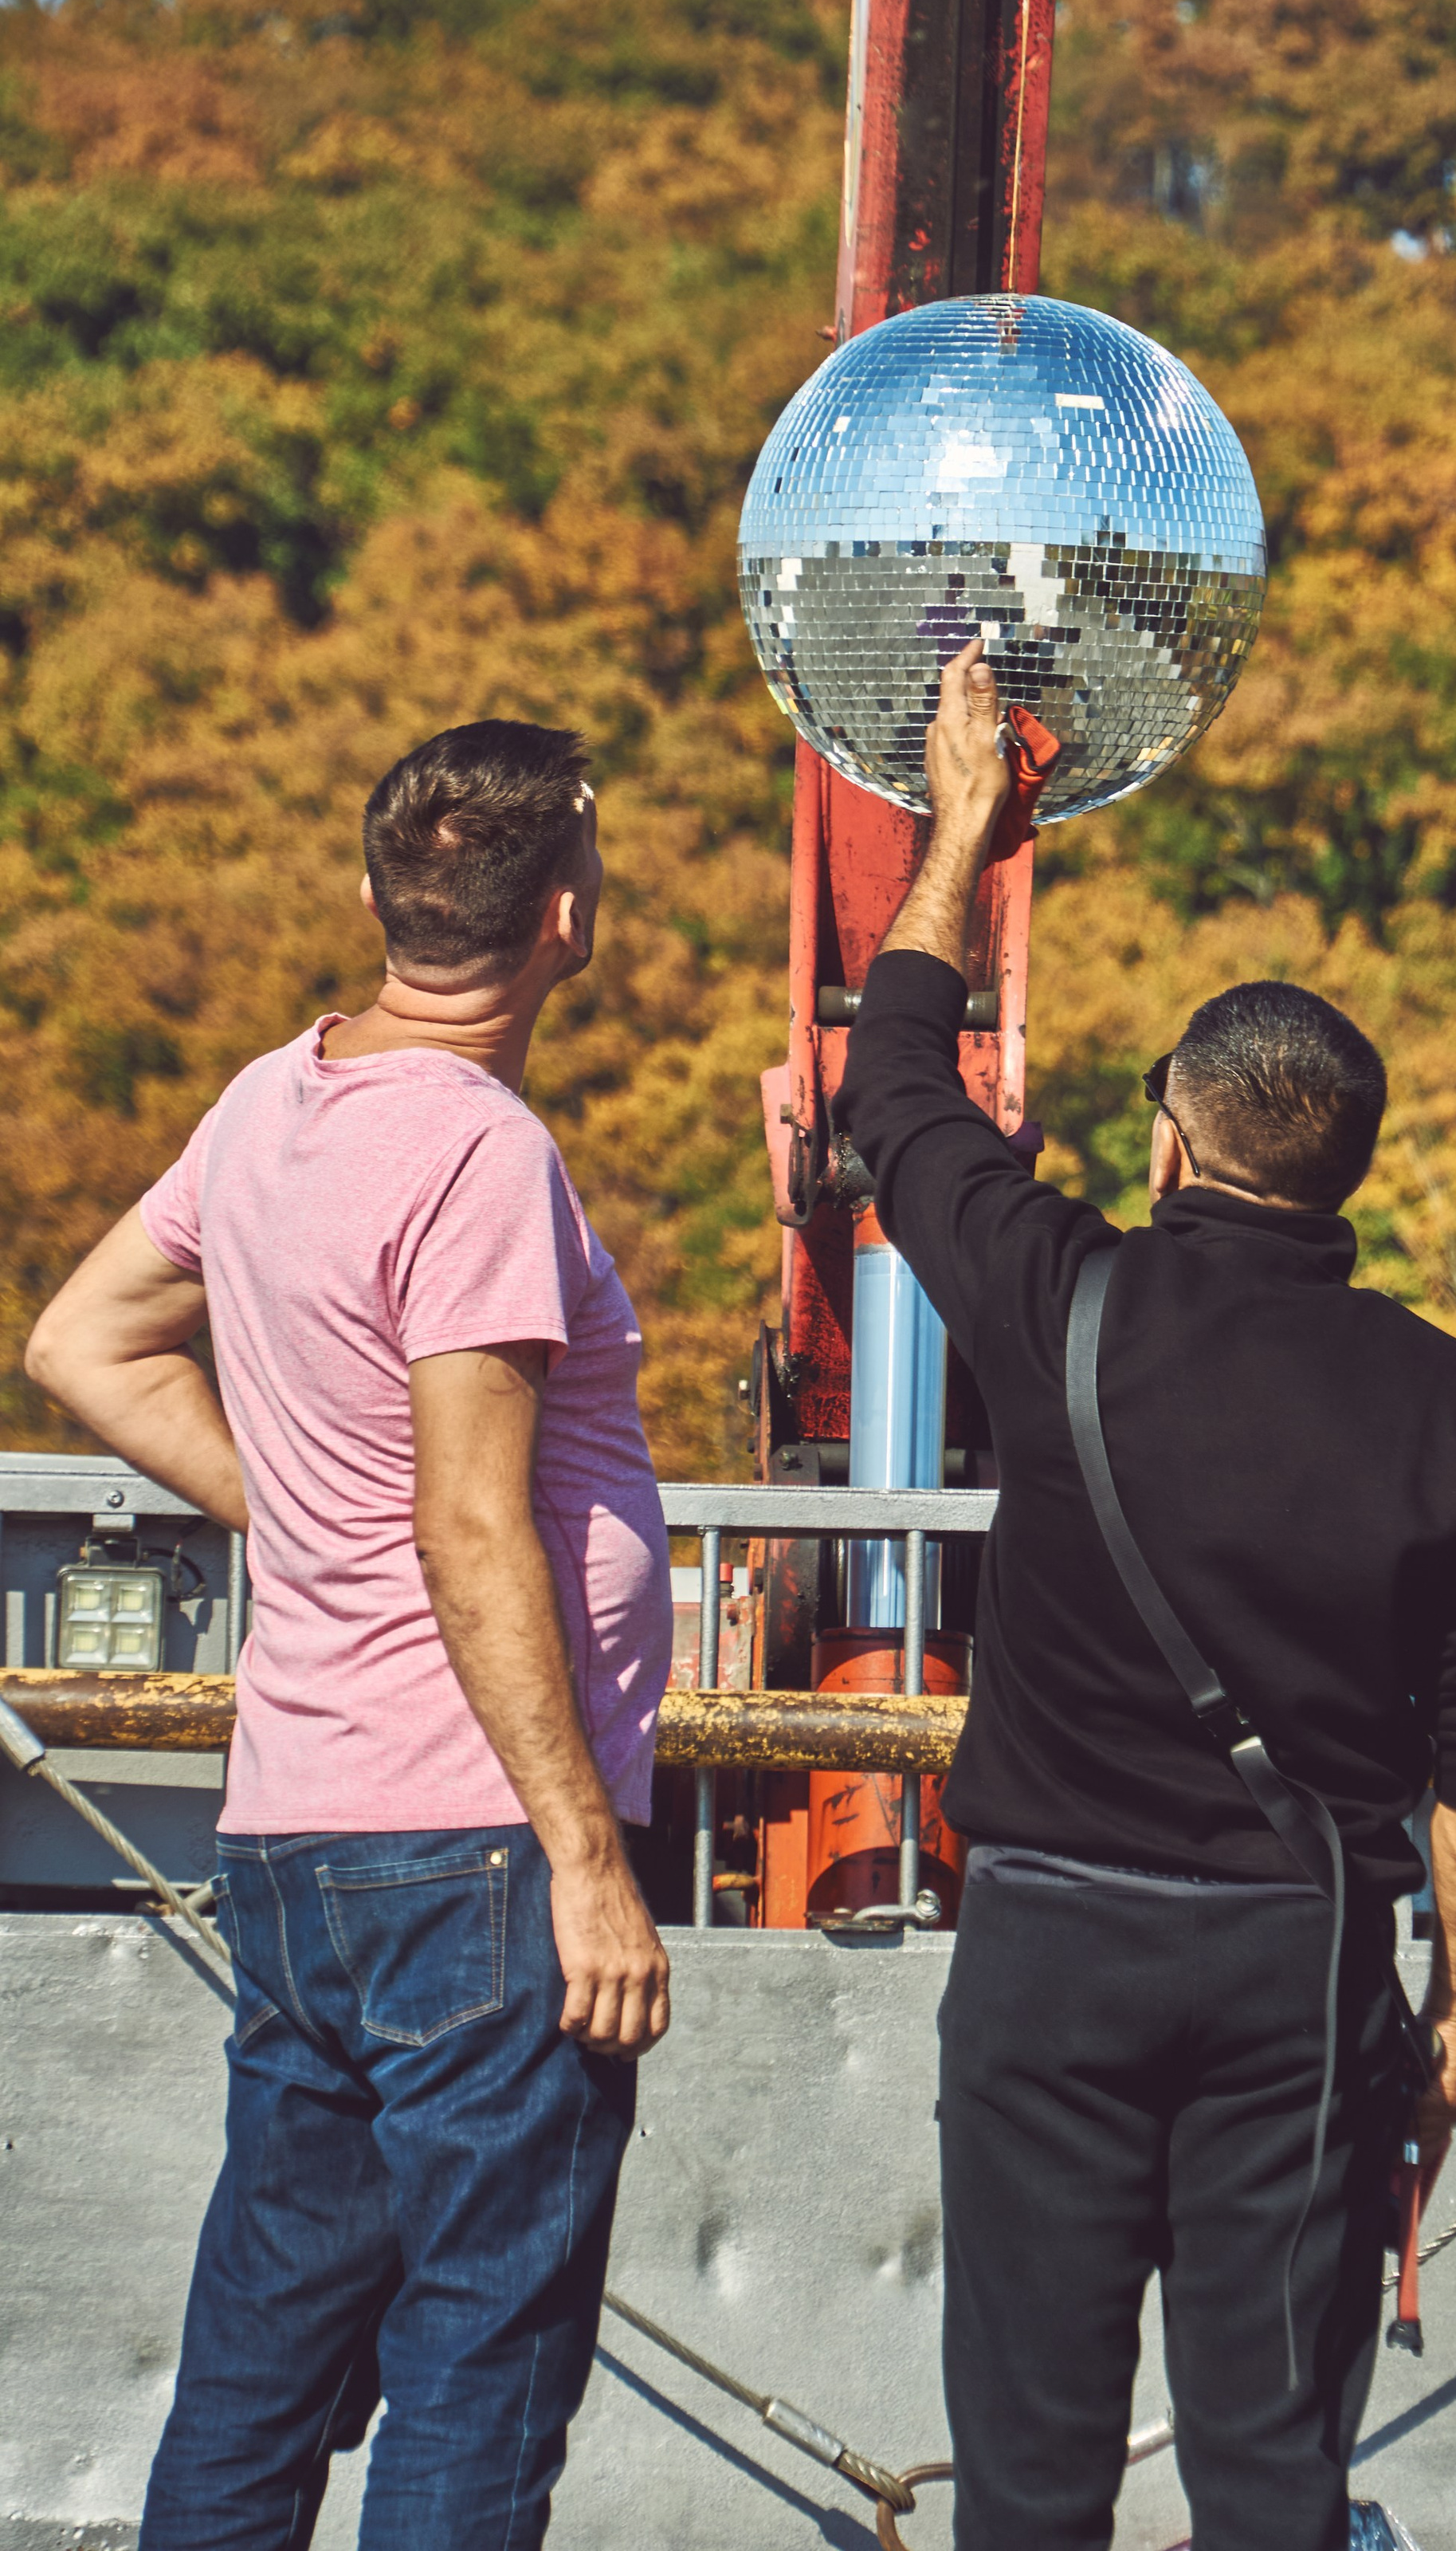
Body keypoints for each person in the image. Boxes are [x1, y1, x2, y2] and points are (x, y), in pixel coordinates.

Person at [834, 639, 1456, 2551]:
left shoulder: (1058, 1292)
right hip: (1300, 1972)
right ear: (1342, 1181)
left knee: (1035, 2477)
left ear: (1169, 1136)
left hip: (1051, 1948)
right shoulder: (1450, 1413)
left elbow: (891, 1082)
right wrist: (1453, 2007)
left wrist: (964, 835)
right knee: (1264, 2478)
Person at [25, 719, 673, 2551]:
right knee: (479, 2365)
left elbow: (83, 1343)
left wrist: (296, 1507)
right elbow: (473, 1521)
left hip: (296, 1837)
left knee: (261, 2369)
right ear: (567, 909)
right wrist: (582, 1858)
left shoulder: (267, 1099)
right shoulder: (479, 1153)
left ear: (387, 900)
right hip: (467, 1852)